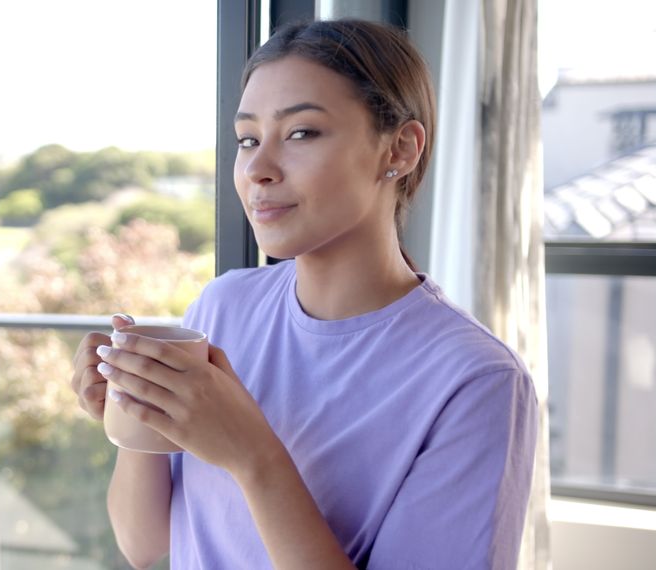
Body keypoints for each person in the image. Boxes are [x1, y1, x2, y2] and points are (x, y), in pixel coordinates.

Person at [69, 18, 537, 570]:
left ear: (401, 149)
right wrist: (135, 405)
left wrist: (253, 457)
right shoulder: (221, 308)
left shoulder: (475, 382)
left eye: (301, 133)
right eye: (248, 139)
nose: (258, 170)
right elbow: (143, 543)